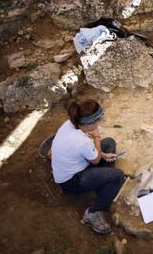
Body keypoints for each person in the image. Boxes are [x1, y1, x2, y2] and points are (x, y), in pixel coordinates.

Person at [51, 99, 125, 234]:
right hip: (71, 181)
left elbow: (85, 151)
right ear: (89, 123)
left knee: (109, 143)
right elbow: (95, 160)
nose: (99, 123)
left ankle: (104, 186)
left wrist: (102, 154)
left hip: (76, 166)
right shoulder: (81, 141)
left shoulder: (70, 124)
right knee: (118, 176)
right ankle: (94, 212)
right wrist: (96, 138)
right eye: (98, 121)